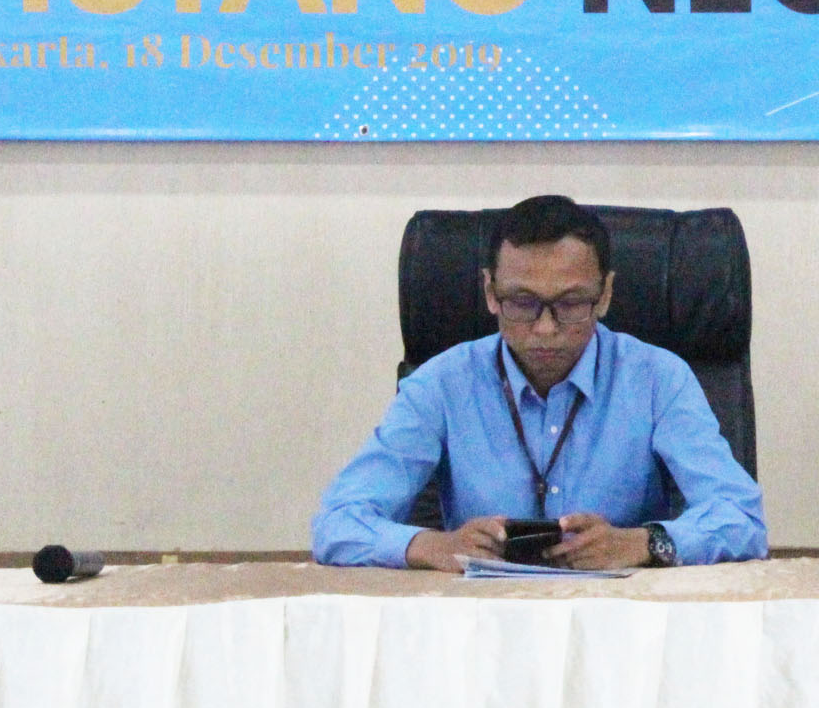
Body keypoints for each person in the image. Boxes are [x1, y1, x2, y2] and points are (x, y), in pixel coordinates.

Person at [313, 194, 768, 570]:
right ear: (490, 292)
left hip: (621, 621)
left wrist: (644, 543)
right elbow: (338, 523)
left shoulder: (657, 378)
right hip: (479, 622)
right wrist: (430, 545)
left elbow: (742, 518)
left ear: (605, 294)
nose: (546, 329)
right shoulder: (442, 383)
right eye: (522, 303)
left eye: (570, 304)